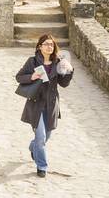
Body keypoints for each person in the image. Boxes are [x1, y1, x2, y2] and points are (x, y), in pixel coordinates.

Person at [16, 33, 74, 178]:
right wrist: (31, 77)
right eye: (46, 44)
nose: (49, 46)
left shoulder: (58, 62)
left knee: (45, 137)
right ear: (40, 46)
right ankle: (42, 166)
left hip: (52, 104)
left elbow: (64, 84)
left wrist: (69, 71)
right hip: (36, 104)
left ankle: (32, 146)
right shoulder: (33, 62)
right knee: (41, 137)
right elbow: (19, 77)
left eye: (51, 44)